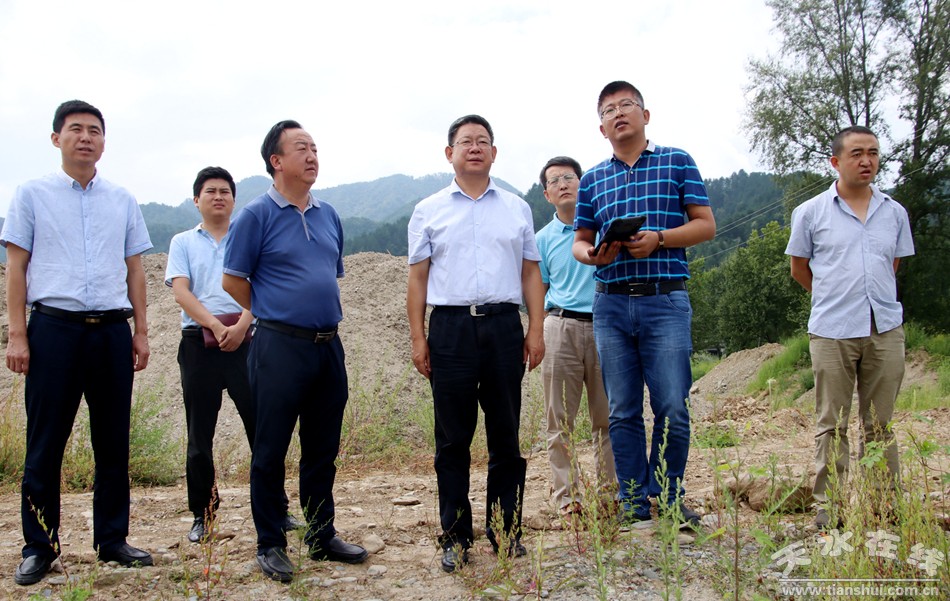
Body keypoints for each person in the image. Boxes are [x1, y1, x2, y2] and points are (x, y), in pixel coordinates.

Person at [2, 100, 154, 586]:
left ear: (104, 141)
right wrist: (18, 334)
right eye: (76, 129)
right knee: (46, 441)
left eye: (94, 130)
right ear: (56, 139)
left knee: (113, 441)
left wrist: (141, 330)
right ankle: (39, 546)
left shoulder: (122, 199)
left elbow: (135, 270)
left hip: (110, 331)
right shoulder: (32, 194)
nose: (86, 137)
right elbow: (16, 267)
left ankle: (112, 539)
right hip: (54, 330)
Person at [222, 120, 367, 582]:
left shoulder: (328, 214)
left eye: (315, 148)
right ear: (276, 160)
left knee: (322, 448)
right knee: (270, 449)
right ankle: (270, 542)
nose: (312, 156)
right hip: (279, 346)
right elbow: (232, 279)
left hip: (327, 345)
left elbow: (330, 273)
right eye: (301, 148)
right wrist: (271, 307)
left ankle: (321, 535)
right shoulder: (256, 215)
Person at [572, 81, 716, 527]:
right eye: (608, 110)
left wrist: (660, 239)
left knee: (672, 405)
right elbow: (580, 241)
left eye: (626, 105)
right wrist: (594, 254)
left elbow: (706, 225)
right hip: (611, 304)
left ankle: (669, 497)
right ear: (602, 128)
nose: (618, 113)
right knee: (622, 410)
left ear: (645, 115)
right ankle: (633, 501)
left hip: (664, 299)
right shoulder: (592, 179)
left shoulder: (677, 161)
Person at [406, 114, 545, 573]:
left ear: (494, 153)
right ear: (450, 153)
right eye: (466, 141)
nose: (475, 147)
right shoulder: (428, 210)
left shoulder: (516, 207)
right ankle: (455, 536)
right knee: (452, 439)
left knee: (505, 434)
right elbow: (418, 280)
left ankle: (506, 532)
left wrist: (535, 328)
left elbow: (530, 272)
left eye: (483, 141)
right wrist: (419, 338)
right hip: (450, 330)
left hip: (504, 327)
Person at [165, 166, 303, 544]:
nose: (218, 197)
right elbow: (181, 292)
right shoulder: (183, 242)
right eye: (210, 191)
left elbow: (261, 284)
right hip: (198, 343)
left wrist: (242, 325)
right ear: (197, 199)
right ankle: (203, 514)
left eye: (225, 191)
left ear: (233, 199)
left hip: (248, 341)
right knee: (199, 436)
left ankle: (276, 508)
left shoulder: (248, 236)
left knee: (262, 429)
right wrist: (214, 325)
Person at [785, 125, 914, 529]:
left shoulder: (894, 212)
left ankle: (884, 507)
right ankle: (832, 509)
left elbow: (892, 265)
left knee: (880, 424)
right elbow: (799, 268)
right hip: (832, 329)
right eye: (857, 153)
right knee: (832, 424)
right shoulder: (810, 212)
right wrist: (834, 295)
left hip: (884, 328)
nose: (866, 160)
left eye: (873, 152)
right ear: (835, 161)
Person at [535, 156, 615, 518]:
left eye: (569, 177)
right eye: (554, 181)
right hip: (560, 326)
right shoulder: (541, 239)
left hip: (606, 324)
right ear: (547, 194)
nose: (563, 184)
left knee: (610, 417)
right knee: (560, 420)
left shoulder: (603, 229)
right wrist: (535, 334)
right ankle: (568, 499)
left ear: (583, 184)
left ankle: (613, 494)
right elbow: (539, 291)